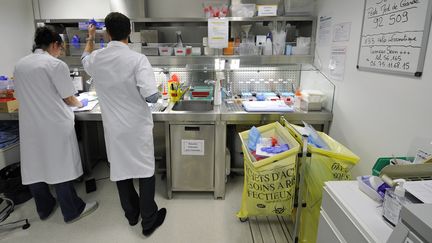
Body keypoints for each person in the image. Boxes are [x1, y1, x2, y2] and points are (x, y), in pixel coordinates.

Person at [81, 12, 166, 236]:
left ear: (107, 33)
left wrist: (90, 38)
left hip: (114, 129)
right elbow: (152, 98)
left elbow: (84, 61)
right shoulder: (137, 59)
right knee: (145, 171)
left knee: (121, 170)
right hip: (137, 127)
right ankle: (148, 220)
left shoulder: (96, 58)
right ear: (130, 33)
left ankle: (131, 214)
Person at [13, 26, 98, 223]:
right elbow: (69, 98)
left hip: (30, 125)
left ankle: (45, 208)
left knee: (35, 167)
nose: (60, 52)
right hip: (54, 124)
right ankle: (72, 210)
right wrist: (82, 102)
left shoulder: (20, 64)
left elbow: (20, 95)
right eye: (60, 49)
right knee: (60, 166)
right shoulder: (54, 65)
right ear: (54, 44)